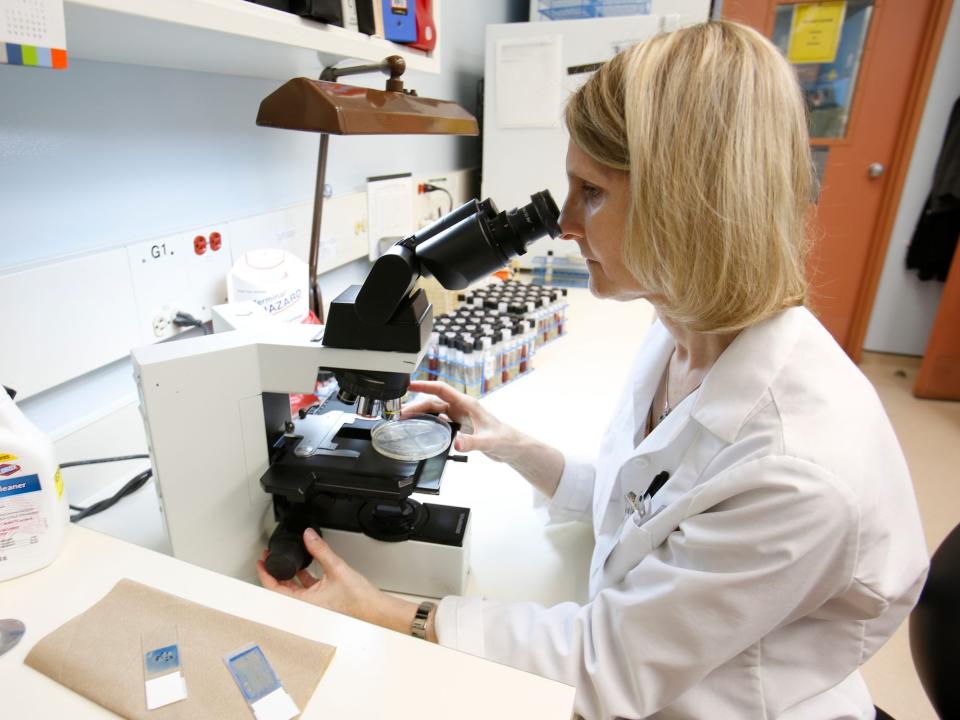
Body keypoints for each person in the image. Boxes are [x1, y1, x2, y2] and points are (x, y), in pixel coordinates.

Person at [257, 21, 929, 719]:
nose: (566, 222)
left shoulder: (799, 471)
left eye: (593, 192)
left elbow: (606, 668)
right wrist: (520, 449)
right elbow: (651, 507)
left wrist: (389, 612)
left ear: (688, 210)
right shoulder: (685, 330)